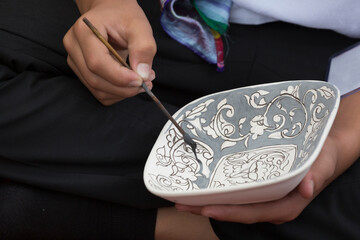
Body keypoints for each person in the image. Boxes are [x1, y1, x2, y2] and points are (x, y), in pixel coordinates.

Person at [0, 0, 359, 239]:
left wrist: (337, 147)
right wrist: (101, 3)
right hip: (155, 15)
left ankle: (174, 224)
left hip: (338, 74)